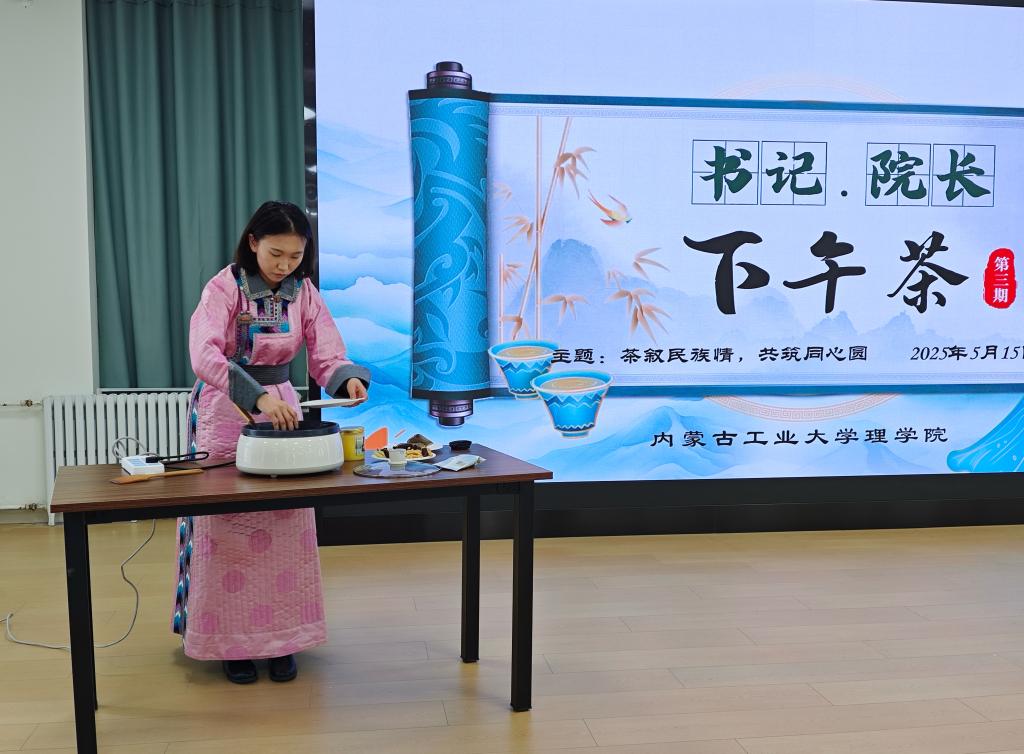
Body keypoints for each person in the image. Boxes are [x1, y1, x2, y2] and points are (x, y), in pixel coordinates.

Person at [173, 201, 369, 684]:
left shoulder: (305, 293)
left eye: (295, 256)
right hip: (225, 408)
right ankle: (229, 643)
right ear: (253, 243)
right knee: (226, 525)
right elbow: (203, 354)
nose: (284, 265)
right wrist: (255, 397)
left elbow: (326, 351)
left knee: (287, 523)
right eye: (275, 254)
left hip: (282, 406)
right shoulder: (223, 288)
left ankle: (284, 639)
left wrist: (345, 379)